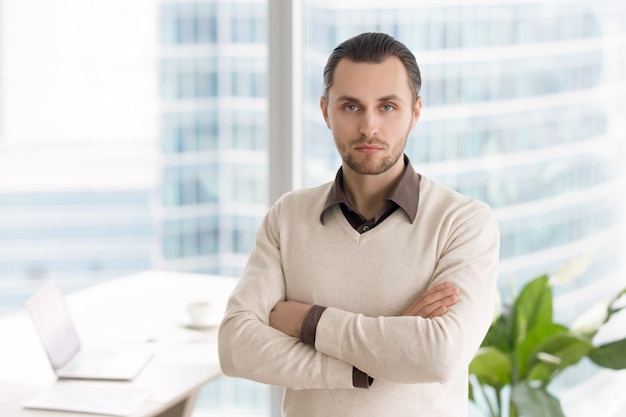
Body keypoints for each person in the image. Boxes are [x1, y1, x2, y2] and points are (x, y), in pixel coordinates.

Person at [218, 32, 500, 417]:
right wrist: (369, 363)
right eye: (351, 107)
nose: (369, 127)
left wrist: (307, 321)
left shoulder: (463, 223)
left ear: (415, 111)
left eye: (387, 107)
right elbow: (236, 347)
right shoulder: (287, 217)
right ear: (325, 110)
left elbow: (440, 355)